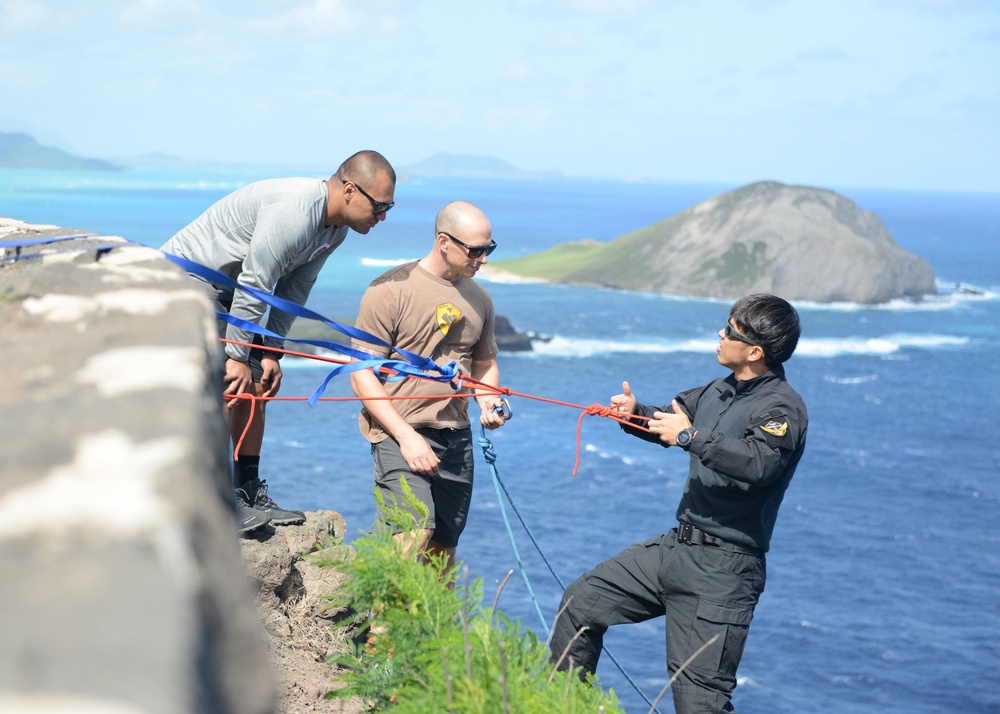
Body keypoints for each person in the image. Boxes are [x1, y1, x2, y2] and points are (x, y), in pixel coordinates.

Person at [550, 293, 808, 714]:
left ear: (755, 352)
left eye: (730, 331)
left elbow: (761, 463)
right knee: (580, 604)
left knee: (699, 700)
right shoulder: (719, 390)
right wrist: (633, 413)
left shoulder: (780, 406)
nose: (720, 335)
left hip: (725, 571)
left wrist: (691, 437)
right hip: (676, 549)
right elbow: (671, 420)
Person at [162, 150, 397, 533]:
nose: (382, 217)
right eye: (379, 206)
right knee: (230, 382)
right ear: (351, 190)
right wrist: (236, 355)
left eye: (389, 207)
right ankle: (216, 497)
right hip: (190, 282)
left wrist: (272, 351)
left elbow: (294, 286)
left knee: (258, 384)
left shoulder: (335, 227)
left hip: (231, 292)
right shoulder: (295, 212)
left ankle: (247, 489)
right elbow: (256, 281)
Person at [350, 201, 508, 572]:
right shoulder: (389, 290)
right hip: (398, 432)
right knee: (410, 536)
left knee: (442, 553)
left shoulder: (480, 299)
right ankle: (382, 630)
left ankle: (435, 631)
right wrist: (406, 437)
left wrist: (490, 402)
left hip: (456, 436)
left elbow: (483, 364)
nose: (483, 259)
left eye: (489, 248)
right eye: (475, 250)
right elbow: (361, 374)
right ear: (443, 242)